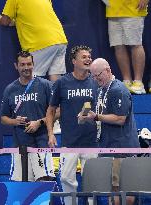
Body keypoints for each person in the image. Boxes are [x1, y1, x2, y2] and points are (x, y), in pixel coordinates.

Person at [80, 58, 140, 205]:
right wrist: (83, 114)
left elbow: (120, 119)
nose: (95, 79)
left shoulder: (118, 90)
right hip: (107, 146)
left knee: (127, 189)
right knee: (112, 189)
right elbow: (90, 106)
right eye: (92, 76)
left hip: (122, 147)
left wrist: (96, 117)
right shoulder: (100, 90)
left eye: (97, 75)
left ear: (108, 70)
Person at [46, 45, 98, 205]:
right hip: (69, 141)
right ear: (74, 61)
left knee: (93, 181)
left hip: (91, 141)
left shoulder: (96, 81)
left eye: (89, 56)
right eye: (84, 57)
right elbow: (51, 110)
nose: (88, 59)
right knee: (66, 178)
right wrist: (50, 133)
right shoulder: (62, 82)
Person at [0, 51, 55, 181]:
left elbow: (57, 111)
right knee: (21, 186)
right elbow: (3, 118)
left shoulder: (45, 85)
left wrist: (39, 122)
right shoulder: (10, 89)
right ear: (16, 66)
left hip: (41, 141)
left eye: (29, 64)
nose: (26, 68)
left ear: (33, 64)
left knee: (44, 182)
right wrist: (14, 121)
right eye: (22, 64)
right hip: (20, 144)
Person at [0, 0, 67, 81]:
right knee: (55, 76)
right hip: (60, 39)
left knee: (31, 78)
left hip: (40, 43)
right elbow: (35, 15)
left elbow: (5, 21)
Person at [104, 0, 149, 94]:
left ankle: (138, 83)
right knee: (118, 46)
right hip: (113, 10)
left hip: (134, 9)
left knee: (135, 45)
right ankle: (126, 82)